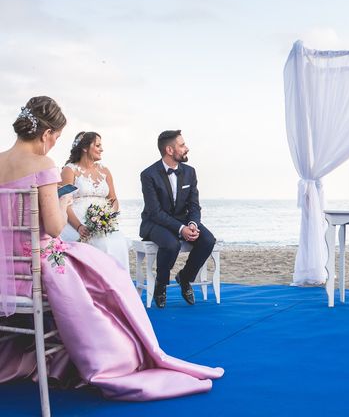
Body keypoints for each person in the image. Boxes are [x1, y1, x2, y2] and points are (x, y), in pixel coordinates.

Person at [0, 97, 223, 399]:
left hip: (6, 266)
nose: (53, 145)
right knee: (108, 276)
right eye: (55, 138)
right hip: (37, 264)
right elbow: (53, 228)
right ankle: (118, 353)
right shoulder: (44, 165)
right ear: (46, 133)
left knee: (97, 264)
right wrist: (64, 200)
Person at [140, 130, 216, 308]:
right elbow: (155, 212)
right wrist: (181, 229)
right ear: (169, 150)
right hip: (155, 222)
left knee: (207, 240)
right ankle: (161, 284)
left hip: (183, 220)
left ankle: (185, 277)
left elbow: (194, 205)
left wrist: (192, 224)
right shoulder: (148, 175)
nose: (186, 148)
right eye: (182, 145)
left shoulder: (190, 172)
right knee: (171, 244)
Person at [59, 131, 129, 270]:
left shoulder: (105, 171)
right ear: (85, 148)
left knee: (119, 242)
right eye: (97, 145)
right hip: (76, 223)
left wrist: (108, 217)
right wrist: (79, 227)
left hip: (102, 222)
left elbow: (113, 199)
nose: (101, 149)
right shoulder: (69, 170)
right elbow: (64, 203)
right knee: (101, 244)